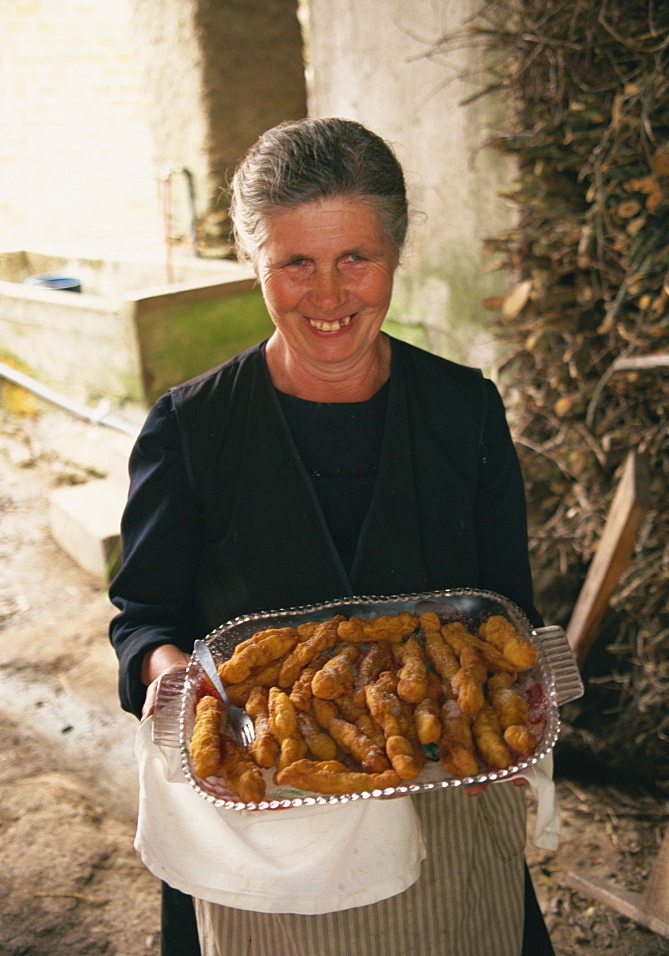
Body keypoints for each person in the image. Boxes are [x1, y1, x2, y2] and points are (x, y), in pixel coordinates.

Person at [109, 117, 555, 956]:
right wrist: (176, 686)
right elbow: (144, 619)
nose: (328, 295)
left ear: (396, 251)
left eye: (356, 257)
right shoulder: (191, 428)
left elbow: (505, 613)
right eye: (295, 262)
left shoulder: (463, 411)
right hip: (266, 818)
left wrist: (504, 714)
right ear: (253, 261)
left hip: (438, 798)